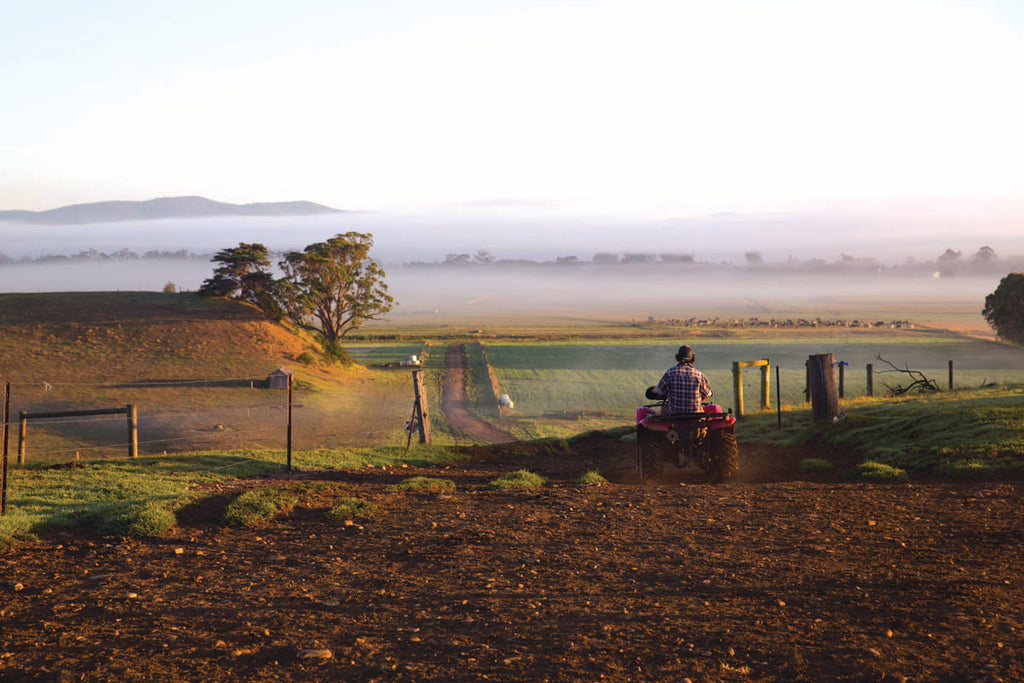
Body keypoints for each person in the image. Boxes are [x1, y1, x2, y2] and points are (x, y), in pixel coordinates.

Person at [650, 344, 712, 415]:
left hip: (673, 415)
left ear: (677, 357)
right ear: (693, 358)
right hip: (695, 416)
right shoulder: (699, 375)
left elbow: (658, 391)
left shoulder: (670, 372)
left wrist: (652, 390)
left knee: (662, 409)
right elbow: (708, 394)